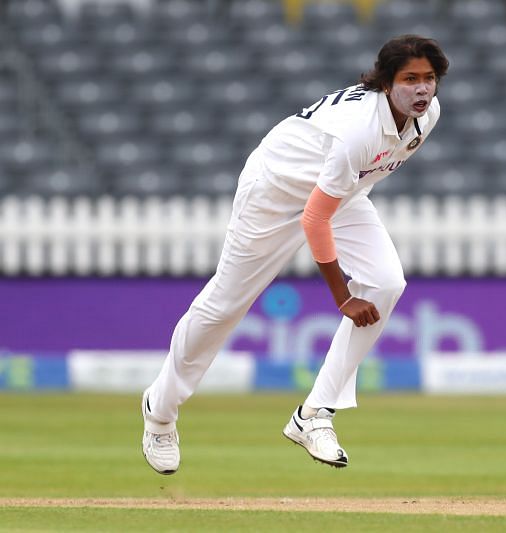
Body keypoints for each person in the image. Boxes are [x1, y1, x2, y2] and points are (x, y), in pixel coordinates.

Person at [141, 34, 449, 474]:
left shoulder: (428, 116)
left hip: (339, 191)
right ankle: (160, 410)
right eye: (410, 79)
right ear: (386, 82)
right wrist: (343, 297)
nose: (422, 89)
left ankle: (315, 414)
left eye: (429, 79)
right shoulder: (358, 130)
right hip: (276, 190)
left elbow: (342, 191)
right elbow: (313, 220)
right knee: (225, 306)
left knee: (386, 283)